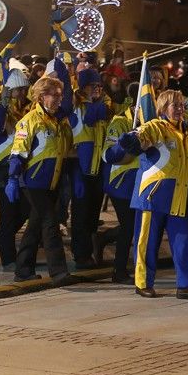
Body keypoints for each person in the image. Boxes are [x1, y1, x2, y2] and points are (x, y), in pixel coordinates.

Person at [117, 89, 188, 300]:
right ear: (163, 108)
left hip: (180, 197)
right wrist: (131, 140)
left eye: (182, 105)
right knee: (147, 243)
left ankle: (187, 286)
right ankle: (142, 283)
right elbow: (138, 140)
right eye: (175, 105)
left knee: (184, 242)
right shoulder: (155, 127)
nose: (180, 109)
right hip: (152, 198)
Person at [6, 75, 73, 285]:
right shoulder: (30, 121)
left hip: (52, 182)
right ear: (42, 96)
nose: (59, 99)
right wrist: (13, 179)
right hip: (34, 183)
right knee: (50, 224)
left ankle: (23, 270)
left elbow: (67, 150)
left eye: (60, 95)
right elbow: (18, 152)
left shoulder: (61, 121)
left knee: (34, 227)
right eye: (55, 95)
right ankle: (58, 272)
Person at [0, 69, 32, 269]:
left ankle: (1, 237)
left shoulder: (27, 110)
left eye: (24, 90)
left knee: (26, 209)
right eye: (18, 90)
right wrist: (3, 104)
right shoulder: (0, 109)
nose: (22, 94)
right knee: (8, 215)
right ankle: (9, 259)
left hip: (21, 167)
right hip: (4, 169)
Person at [68, 68, 113, 269]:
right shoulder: (76, 106)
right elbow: (88, 119)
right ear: (83, 87)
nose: (97, 89)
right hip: (80, 168)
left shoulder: (101, 106)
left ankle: (90, 250)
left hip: (97, 167)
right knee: (81, 213)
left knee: (93, 213)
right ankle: (81, 254)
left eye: (99, 86)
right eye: (92, 86)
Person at [100, 82, 140, 284]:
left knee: (134, 225)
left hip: (141, 184)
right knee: (129, 226)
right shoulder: (119, 122)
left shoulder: (153, 123)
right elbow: (108, 155)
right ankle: (119, 271)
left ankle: (103, 238)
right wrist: (125, 145)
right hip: (121, 183)